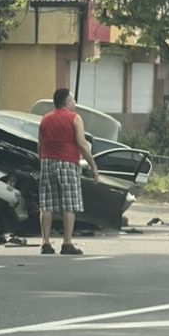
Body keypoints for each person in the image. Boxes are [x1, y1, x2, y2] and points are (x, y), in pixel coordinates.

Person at [37, 88, 99, 255]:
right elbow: (82, 143)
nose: (75, 103)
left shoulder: (45, 119)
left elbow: (40, 144)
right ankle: (67, 243)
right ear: (66, 102)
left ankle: (46, 243)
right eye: (73, 100)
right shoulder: (75, 118)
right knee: (69, 205)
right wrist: (93, 166)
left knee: (47, 205)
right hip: (67, 163)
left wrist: (42, 160)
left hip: (47, 162)